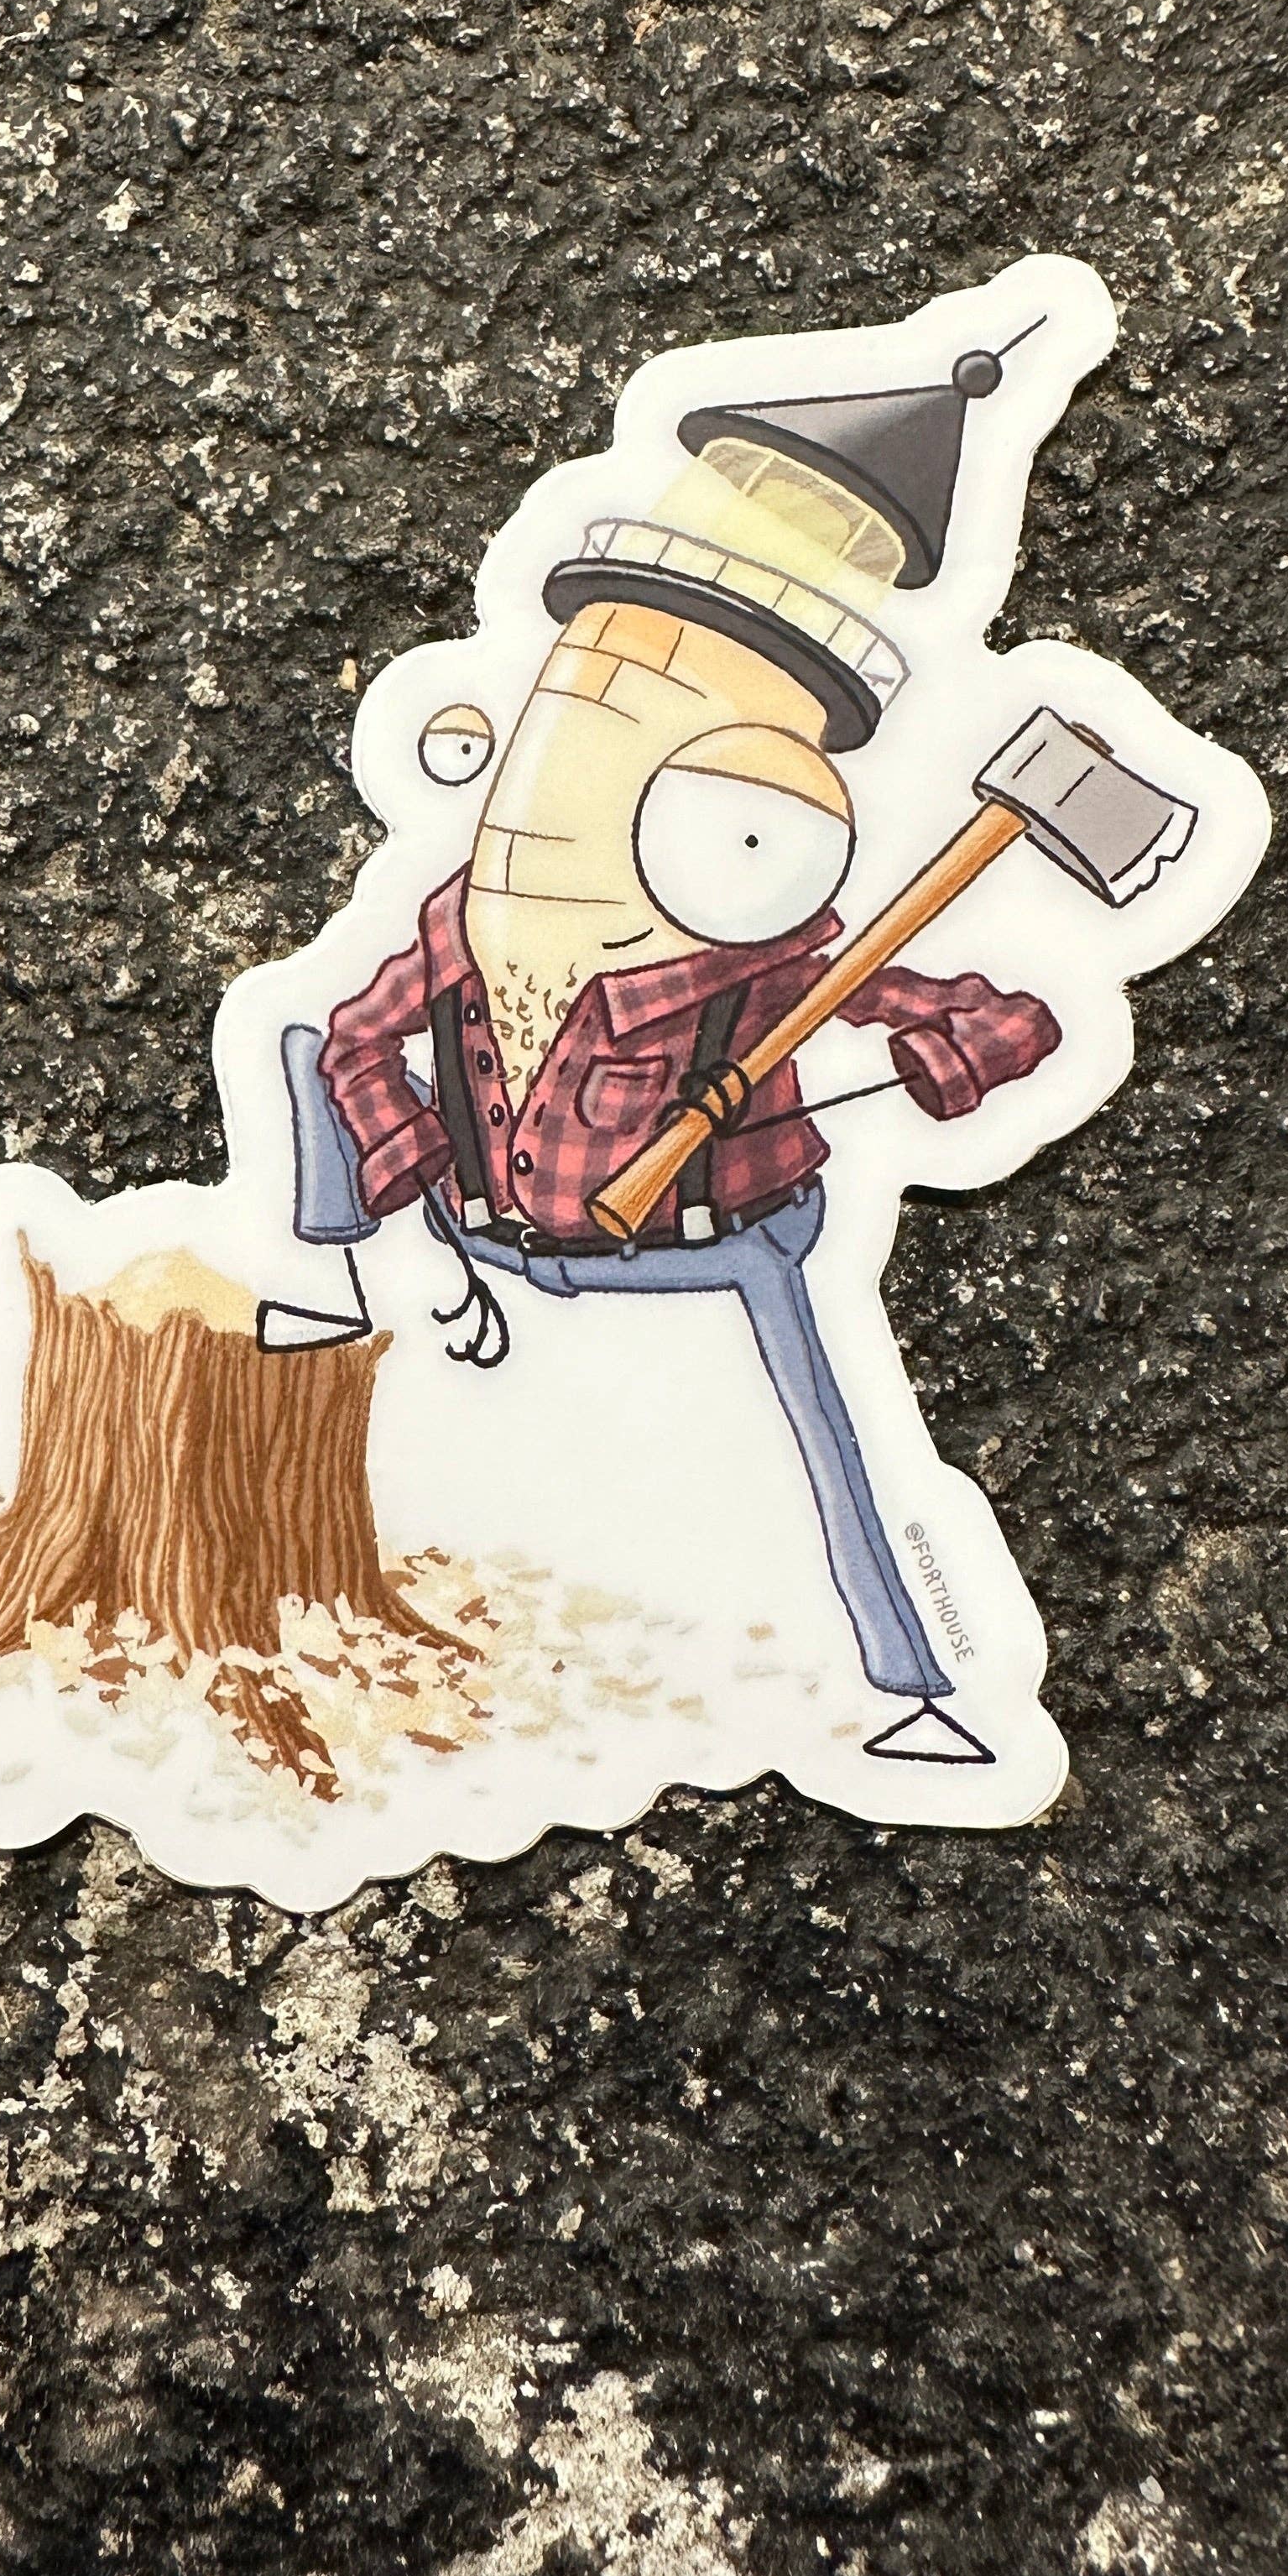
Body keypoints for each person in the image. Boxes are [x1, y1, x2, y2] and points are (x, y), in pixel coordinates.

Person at [311, 354, 1061, 1760]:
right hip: (490, 1232)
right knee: (304, 1045)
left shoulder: (771, 957)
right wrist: (404, 1168)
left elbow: (1011, 1019)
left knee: (824, 1434)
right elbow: (355, 1038)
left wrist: (949, 1056)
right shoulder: (468, 922)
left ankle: (916, 1690)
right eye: (584, 710)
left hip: (717, 1246)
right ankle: (331, 1290)